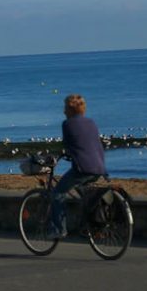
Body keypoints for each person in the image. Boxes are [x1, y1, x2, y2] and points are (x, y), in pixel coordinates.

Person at [48, 94, 107, 239]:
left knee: (58, 193)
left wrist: (64, 155)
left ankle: (59, 230)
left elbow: (68, 145)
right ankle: (88, 225)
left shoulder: (67, 124)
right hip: (99, 166)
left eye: (65, 108)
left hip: (83, 168)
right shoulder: (91, 122)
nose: (63, 111)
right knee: (84, 193)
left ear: (70, 109)